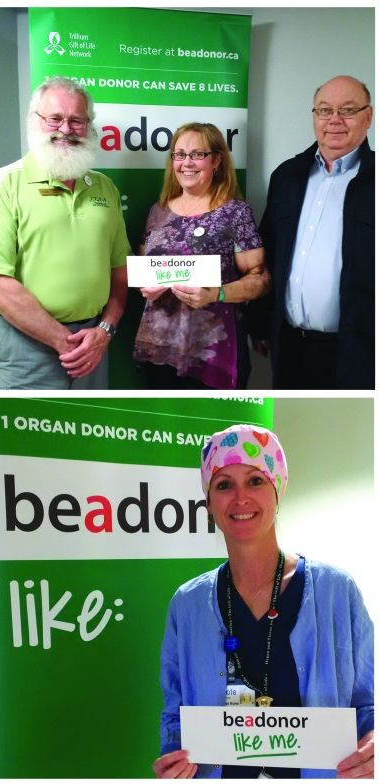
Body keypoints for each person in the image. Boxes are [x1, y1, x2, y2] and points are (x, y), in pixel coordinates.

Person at [154, 425, 373, 778]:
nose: (240, 498)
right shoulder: (188, 605)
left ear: (277, 489)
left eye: (255, 481)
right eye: (224, 485)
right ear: (209, 503)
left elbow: (369, 704)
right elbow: (175, 716)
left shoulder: (337, 591)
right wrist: (173, 761)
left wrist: (374, 742)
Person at [0, 76, 130, 390]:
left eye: (76, 120)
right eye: (54, 118)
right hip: (25, 350)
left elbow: (120, 273)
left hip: (94, 345)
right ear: (35, 121)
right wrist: (63, 340)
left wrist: (104, 332)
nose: (66, 129)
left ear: (89, 125)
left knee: (87, 430)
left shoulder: (105, 188)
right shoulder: (4, 184)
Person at [250, 75, 374, 389]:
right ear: (314, 116)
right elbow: (270, 250)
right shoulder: (287, 176)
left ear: (368, 116)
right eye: (324, 110)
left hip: (360, 353)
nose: (334, 120)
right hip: (289, 346)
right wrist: (260, 322)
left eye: (347, 110)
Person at [133, 123, 269, 389]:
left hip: (212, 351)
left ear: (216, 160)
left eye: (197, 154)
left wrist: (214, 293)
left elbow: (261, 280)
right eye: (179, 154)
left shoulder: (235, 213)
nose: (187, 163)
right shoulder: (157, 212)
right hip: (160, 349)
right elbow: (145, 268)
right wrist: (146, 286)